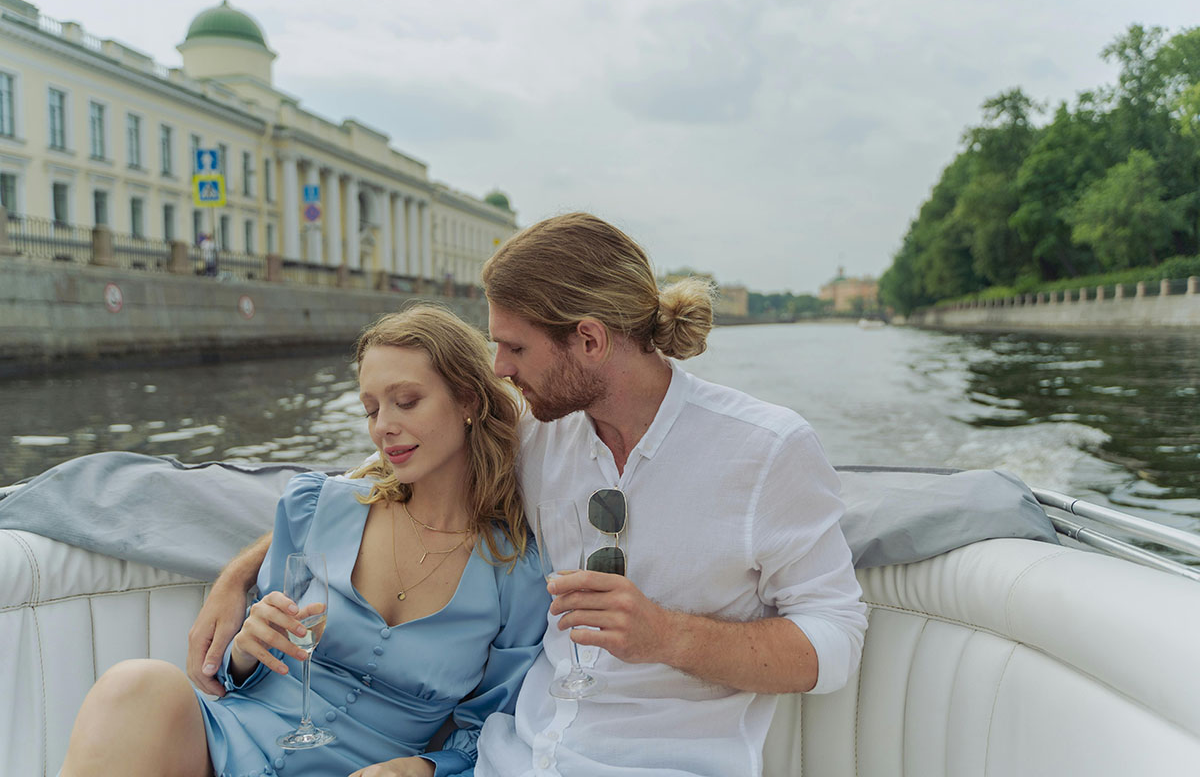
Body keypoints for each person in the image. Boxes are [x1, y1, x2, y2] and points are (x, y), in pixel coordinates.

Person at [189, 213, 868, 776]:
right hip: (507, 760)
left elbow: (835, 640)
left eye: (513, 348)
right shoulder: (537, 438)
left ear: (590, 341)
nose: (499, 369)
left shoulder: (767, 450)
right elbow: (374, 488)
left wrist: (668, 635)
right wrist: (236, 576)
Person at [62, 305, 549, 777]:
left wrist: (424, 767)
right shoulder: (318, 506)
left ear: (468, 400)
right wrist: (245, 649)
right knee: (135, 685)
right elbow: (241, 670)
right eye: (371, 409)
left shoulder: (514, 568)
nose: (384, 427)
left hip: (372, 770)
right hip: (231, 740)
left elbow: (496, 724)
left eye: (407, 401)